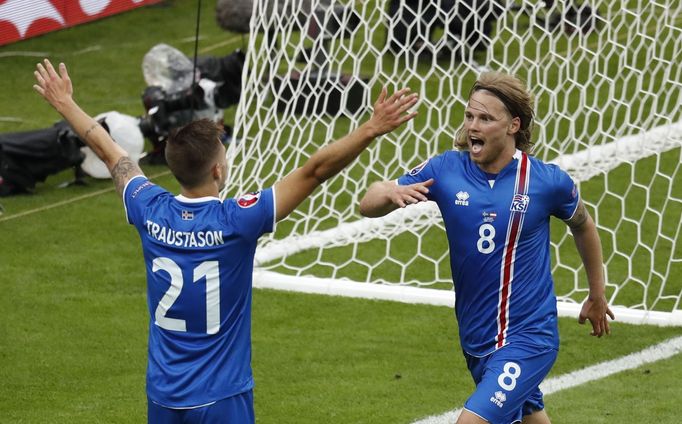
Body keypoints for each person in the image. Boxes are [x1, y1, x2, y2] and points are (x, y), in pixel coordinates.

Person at [33, 58, 418, 423]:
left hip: (164, 394)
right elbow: (316, 170)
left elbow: (108, 150)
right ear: (218, 169)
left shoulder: (148, 207)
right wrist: (370, 128)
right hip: (221, 397)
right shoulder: (238, 219)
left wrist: (65, 102)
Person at [359, 71, 614, 424]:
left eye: (485, 118)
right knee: (532, 416)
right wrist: (387, 192)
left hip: (529, 338)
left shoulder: (545, 182)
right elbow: (367, 204)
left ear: (513, 125)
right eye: (469, 116)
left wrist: (596, 294)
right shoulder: (446, 170)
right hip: (477, 338)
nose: (473, 127)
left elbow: (583, 225)